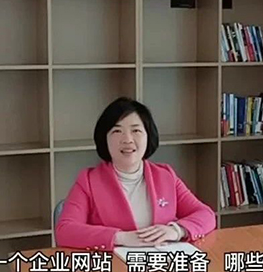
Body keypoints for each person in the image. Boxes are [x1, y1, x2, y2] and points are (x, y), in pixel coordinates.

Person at [55, 97, 216, 251]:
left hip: (161, 263)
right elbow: (65, 231)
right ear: (104, 139)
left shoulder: (166, 176)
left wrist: (177, 230)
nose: (127, 139)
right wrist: (120, 238)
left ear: (148, 136)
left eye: (136, 130)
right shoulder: (88, 181)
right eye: (117, 131)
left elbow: (206, 215)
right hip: (113, 267)